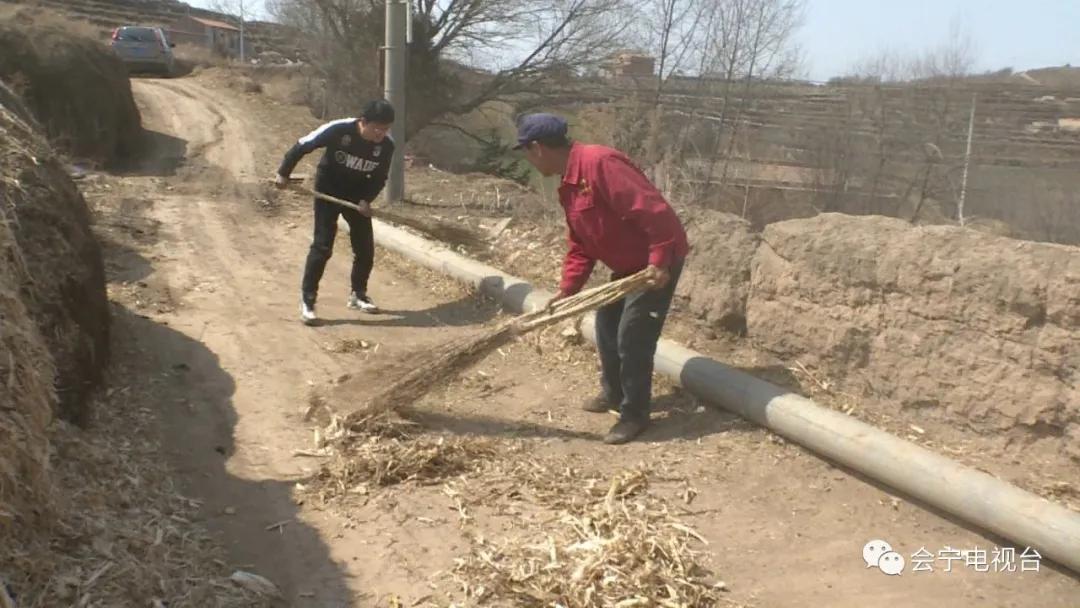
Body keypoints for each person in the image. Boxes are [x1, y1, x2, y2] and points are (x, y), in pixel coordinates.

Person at [514, 113, 690, 445]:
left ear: (537, 148)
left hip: (655, 262)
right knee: (607, 326)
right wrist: (569, 290)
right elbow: (581, 244)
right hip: (627, 266)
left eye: (525, 151)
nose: (528, 159)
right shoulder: (568, 185)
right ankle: (614, 393)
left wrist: (659, 263)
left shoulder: (600, 164)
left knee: (633, 335)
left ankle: (634, 414)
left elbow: (656, 213)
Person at [274, 99, 396, 325]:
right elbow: (303, 145)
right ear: (363, 122)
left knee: (365, 248)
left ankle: (358, 294)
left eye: (386, 128)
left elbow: (380, 178)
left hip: (357, 196)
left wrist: (366, 200)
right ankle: (308, 300)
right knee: (322, 246)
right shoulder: (340, 129)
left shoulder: (387, 145)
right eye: (377, 128)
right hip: (328, 190)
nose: (381, 133)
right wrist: (284, 173)